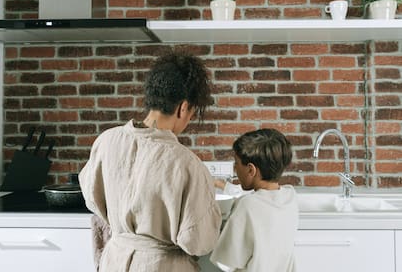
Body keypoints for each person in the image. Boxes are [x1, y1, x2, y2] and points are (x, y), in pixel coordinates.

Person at [79, 52, 222, 272]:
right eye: (192, 113)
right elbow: (198, 241)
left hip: (114, 261)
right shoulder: (187, 164)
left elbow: (92, 199)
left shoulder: (106, 141)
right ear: (183, 108)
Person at [210, 129, 299, 272]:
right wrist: (220, 184)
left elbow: (226, 261)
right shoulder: (289, 197)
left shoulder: (247, 205)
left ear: (251, 170)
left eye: (236, 163)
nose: (235, 168)